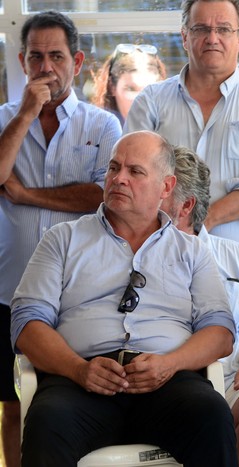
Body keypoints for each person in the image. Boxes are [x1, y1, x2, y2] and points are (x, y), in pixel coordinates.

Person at [10, 130, 238, 466]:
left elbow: (220, 332)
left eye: (135, 171)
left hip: (167, 381)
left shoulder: (191, 251)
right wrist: (78, 369)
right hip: (81, 382)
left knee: (211, 414)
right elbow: (27, 322)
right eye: (114, 168)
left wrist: (169, 364)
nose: (119, 179)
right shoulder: (63, 239)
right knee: (48, 421)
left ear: (166, 187)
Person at [0, 10, 122, 467]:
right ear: (22, 60)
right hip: (8, 290)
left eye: (56, 56)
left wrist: (25, 194)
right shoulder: (5, 119)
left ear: (78, 60)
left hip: (78, 294)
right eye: (36, 57)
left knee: (66, 403)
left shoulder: (102, 125)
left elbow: (100, 195)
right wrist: (28, 111)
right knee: (11, 403)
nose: (46, 67)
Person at [125, 0, 239, 254]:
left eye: (224, 29)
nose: (212, 38)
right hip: (161, 255)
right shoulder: (151, 102)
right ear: (184, 37)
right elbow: (132, 176)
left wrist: (202, 221)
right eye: (201, 29)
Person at [160, 145, 239, 467]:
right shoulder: (135, 258)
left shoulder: (236, 256)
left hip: (235, 380)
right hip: (171, 384)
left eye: (159, 190)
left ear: (185, 205)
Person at [91, 43, 167, 125]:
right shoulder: (96, 130)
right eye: (131, 89)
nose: (141, 100)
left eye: (150, 90)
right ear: (112, 87)